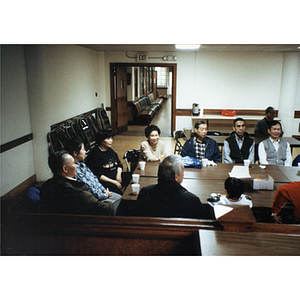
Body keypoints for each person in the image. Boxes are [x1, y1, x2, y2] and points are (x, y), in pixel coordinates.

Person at [132, 155, 207, 219]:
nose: (183, 175)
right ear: (176, 177)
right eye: (182, 171)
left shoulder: (145, 192)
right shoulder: (192, 200)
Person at [40, 150, 114, 215]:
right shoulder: (75, 191)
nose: (76, 166)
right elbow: (103, 209)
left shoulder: (46, 185)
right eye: (74, 163)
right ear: (65, 169)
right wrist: (109, 203)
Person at [64, 139, 122, 214]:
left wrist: (103, 190)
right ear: (75, 153)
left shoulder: (83, 165)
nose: (85, 152)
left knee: (121, 198)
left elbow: (94, 179)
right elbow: (88, 189)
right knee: (120, 204)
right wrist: (105, 195)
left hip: (102, 193)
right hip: (97, 200)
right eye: (83, 149)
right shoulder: (74, 170)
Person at [86, 130, 130, 195]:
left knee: (132, 177)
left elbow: (119, 165)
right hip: (105, 181)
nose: (111, 140)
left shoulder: (110, 150)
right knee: (119, 194)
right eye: (108, 139)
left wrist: (118, 175)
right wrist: (114, 182)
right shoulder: (95, 154)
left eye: (111, 138)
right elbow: (98, 175)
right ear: (101, 140)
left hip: (115, 176)